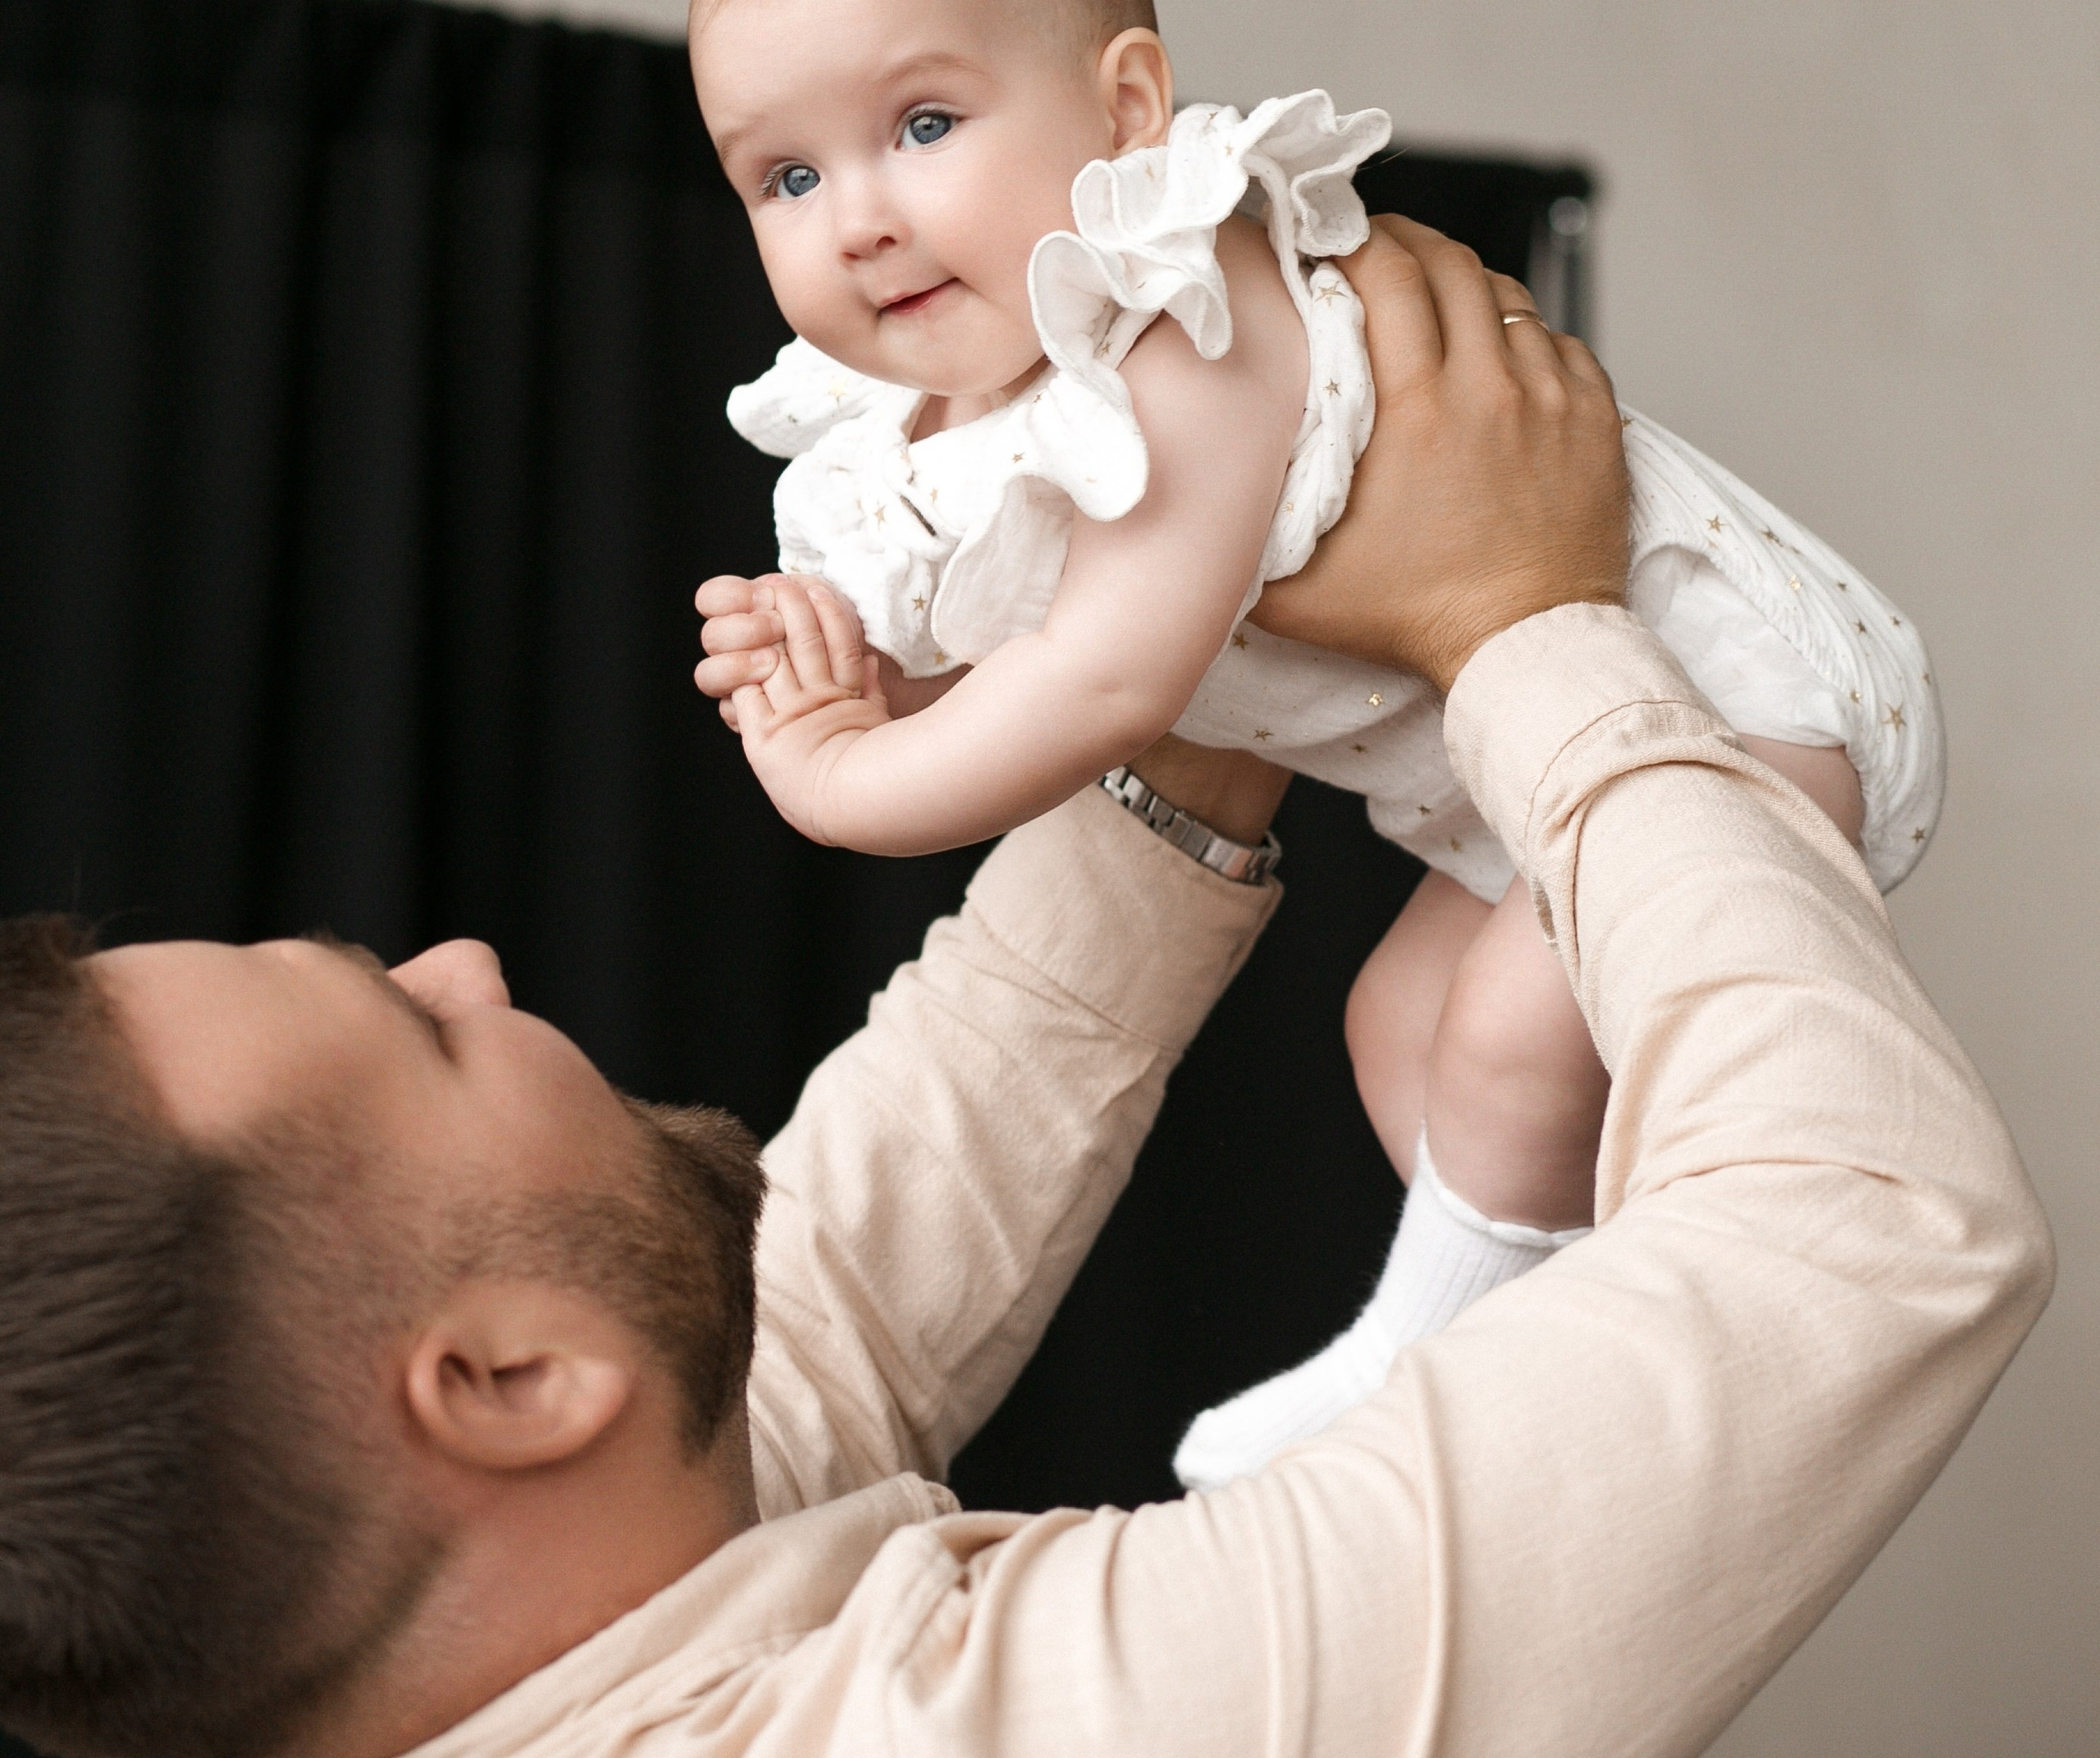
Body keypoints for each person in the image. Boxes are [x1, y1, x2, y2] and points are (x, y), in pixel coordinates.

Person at [0, 213, 2048, 1758]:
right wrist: (1522, 619)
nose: (469, 959)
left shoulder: (535, 1612)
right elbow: (1862, 1234)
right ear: (510, 1384)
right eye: (417, 1028)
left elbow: (852, 1284)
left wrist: (1182, 638)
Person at [687, 0, 1943, 1484]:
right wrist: (863, 671)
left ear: (1125, 105)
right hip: (1518, 788)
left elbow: (1110, 678)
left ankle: (1418, 1385)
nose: (856, 214)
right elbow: (1038, 650)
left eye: (920, 124)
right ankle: (1548, 1364)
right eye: (782, 174)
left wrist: (844, 776)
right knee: (1398, 1031)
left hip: (1742, 702)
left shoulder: (1182, 328)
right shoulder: (986, 411)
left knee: (1502, 1046)